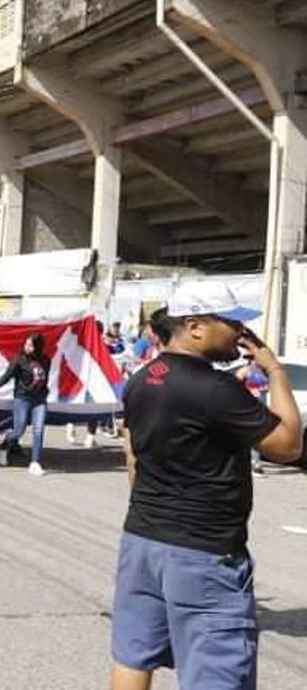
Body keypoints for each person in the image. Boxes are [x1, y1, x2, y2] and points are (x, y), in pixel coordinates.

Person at [110, 283, 303, 690]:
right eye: (231, 322)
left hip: (143, 540)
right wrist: (275, 370)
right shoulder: (214, 388)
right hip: (202, 552)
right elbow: (288, 445)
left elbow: (133, 458)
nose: (240, 332)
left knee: (133, 654)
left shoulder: (143, 378)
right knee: (215, 673)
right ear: (194, 326)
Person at [0, 332, 51, 477]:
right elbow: (6, 376)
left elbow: (45, 378)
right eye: (26, 344)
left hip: (40, 400)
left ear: (38, 347)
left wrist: (45, 392)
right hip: (22, 399)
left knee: (38, 430)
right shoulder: (19, 360)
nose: (27, 347)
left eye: (31, 345)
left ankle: (35, 463)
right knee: (18, 430)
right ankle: (2, 446)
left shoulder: (46, 360)